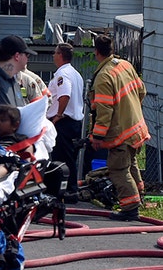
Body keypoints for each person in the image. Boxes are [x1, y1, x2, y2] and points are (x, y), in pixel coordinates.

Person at [88, 34, 150, 221]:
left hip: (121, 133)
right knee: (130, 164)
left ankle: (130, 207)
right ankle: (140, 197)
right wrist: (130, 111)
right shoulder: (125, 65)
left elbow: (104, 111)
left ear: (96, 52)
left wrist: (97, 136)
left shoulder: (103, 77)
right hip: (136, 127)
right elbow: (142, 91)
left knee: (118, 169)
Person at [46, 43, 85, 202]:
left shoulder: (62, 75)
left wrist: (58, 114)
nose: (53, 56)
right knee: (69, 157)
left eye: (55, 53)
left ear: (61, 55)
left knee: (61, 158)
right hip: (74, 122)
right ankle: (69, 189)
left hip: (64, 122)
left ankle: (66, 191)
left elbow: (64, 95)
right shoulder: (76, 74)